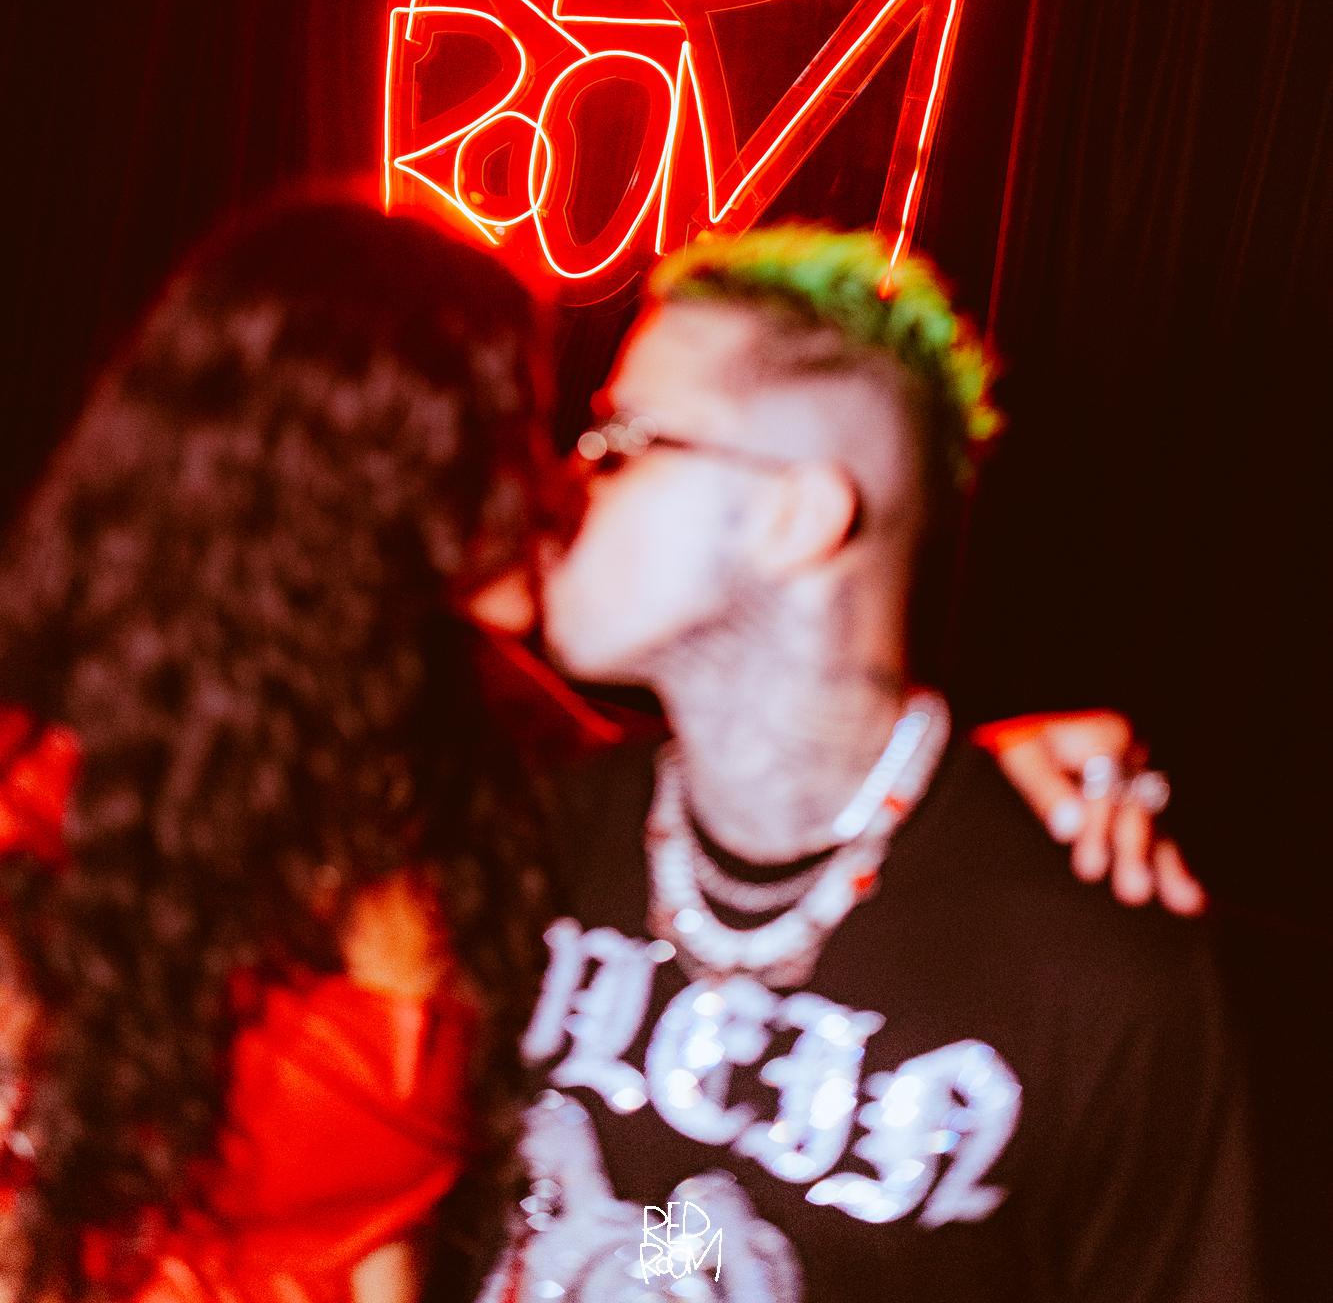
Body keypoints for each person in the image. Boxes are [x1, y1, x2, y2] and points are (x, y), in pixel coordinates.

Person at [488, 226, 1259, 1302]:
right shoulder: (529, 831)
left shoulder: (1092, 963)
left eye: (618, 441)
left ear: (794, 516)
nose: (559, 486)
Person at [0, 199, 594, 1303]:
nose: (556, 478)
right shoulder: (44, 794)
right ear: (352, 476)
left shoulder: (508, 757)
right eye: (508, 428)